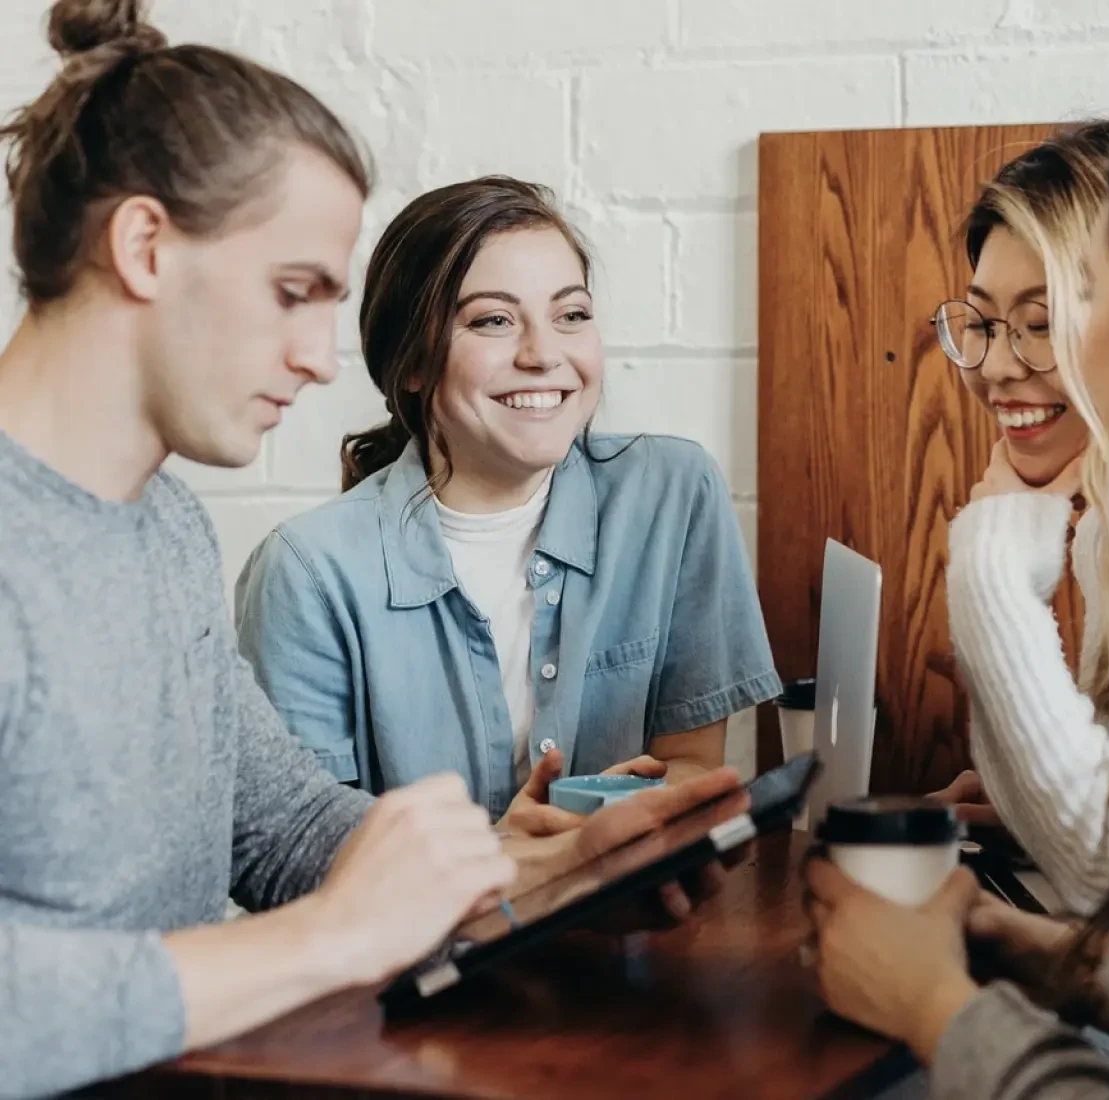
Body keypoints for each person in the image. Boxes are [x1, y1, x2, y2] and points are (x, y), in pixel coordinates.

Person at [0, 4, 743, 1096]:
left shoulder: (160, 527)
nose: (316, 358)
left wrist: (530, 875)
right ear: (144, 245)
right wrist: (329, 939)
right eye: (292, 292)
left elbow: (288, 823)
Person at [806, 87, 1109, 1097]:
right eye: (983, 323)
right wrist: (1048, 956)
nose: (1007, 363)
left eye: (1089, 296)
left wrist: (934, 1004)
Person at [234, 176, 780, 832]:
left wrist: (605, 830)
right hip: (427, 935)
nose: (544, 354)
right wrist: (515, 859)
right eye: (493, 320)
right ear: (411, 362)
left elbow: (691, 765)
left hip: (631, 922)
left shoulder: (672, 494)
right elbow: (306, 852)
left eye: (571, 315)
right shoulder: (307, 573)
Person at [927, 121, 1109, 914]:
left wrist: (989, 565)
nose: (995, 366)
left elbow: (1107, 874)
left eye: (1042, 322)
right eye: (982, 322)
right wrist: (1026, 805)